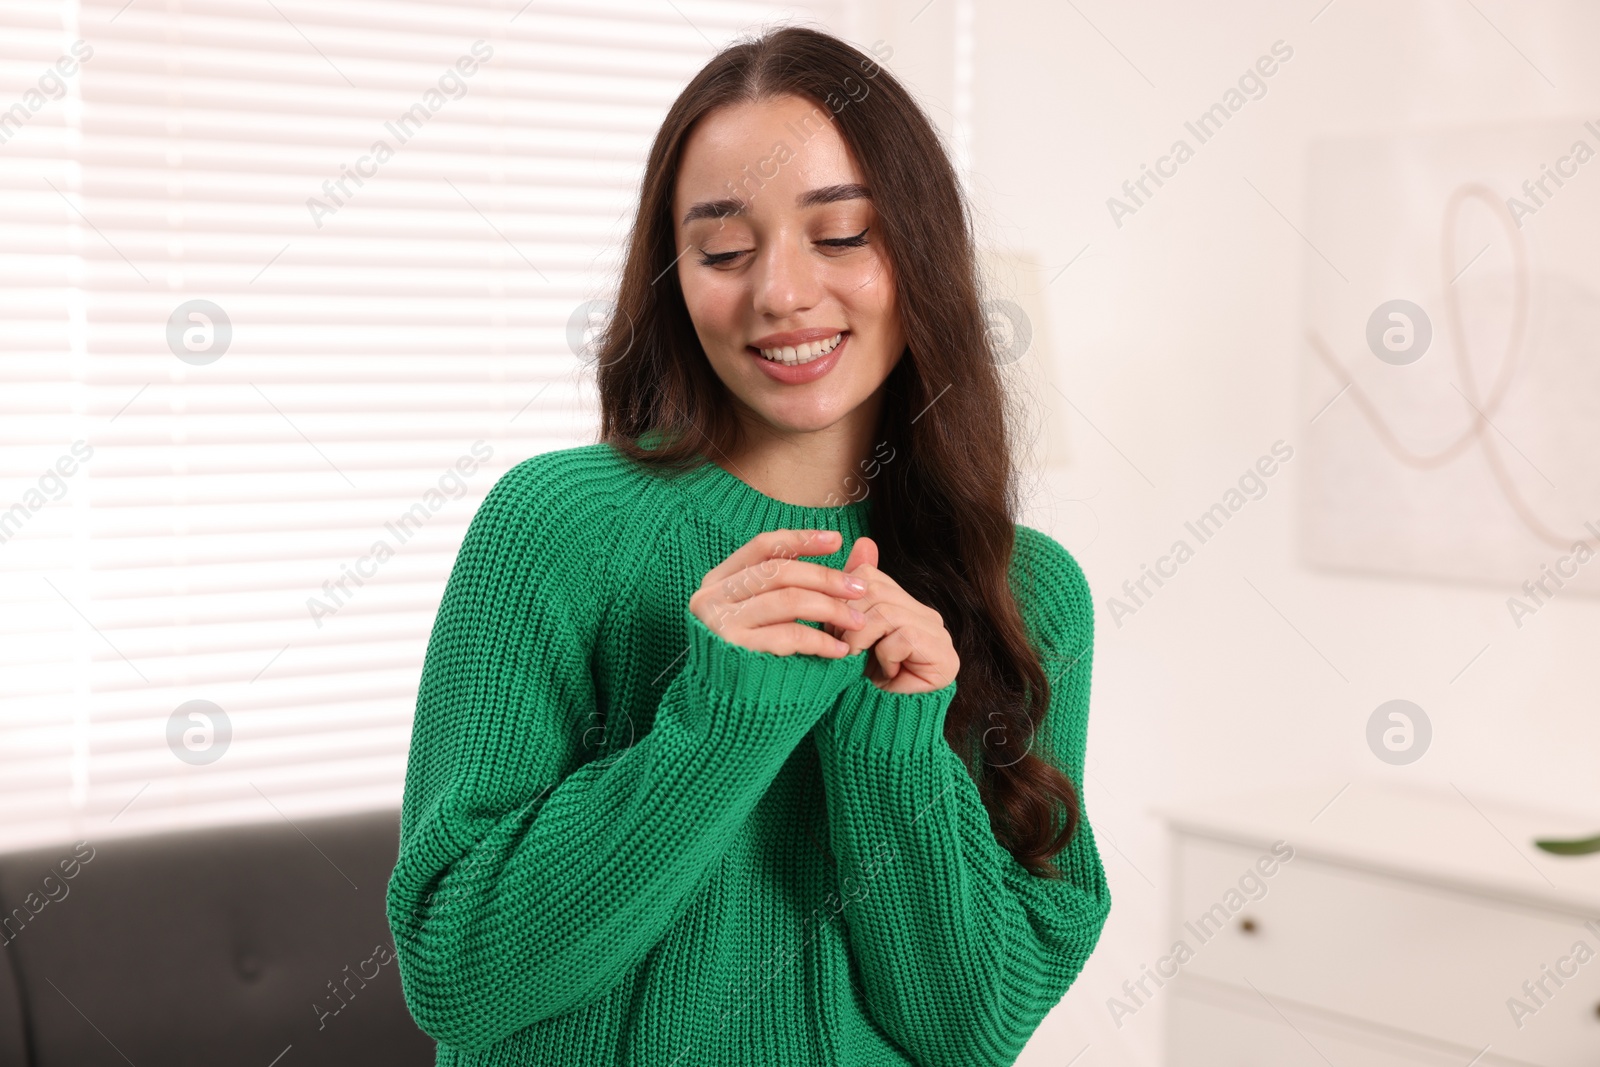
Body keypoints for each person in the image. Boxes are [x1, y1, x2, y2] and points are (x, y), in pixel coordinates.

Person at [386, 24, 1110, 1066]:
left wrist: (894, 743)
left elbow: (970, 1028)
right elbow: (457, 974)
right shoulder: (554, 525)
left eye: (842, 233)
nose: (778, 290)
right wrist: (715, 725)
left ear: (920, 252)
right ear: (673, 277)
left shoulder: (1028, 590)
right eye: (723, 249)